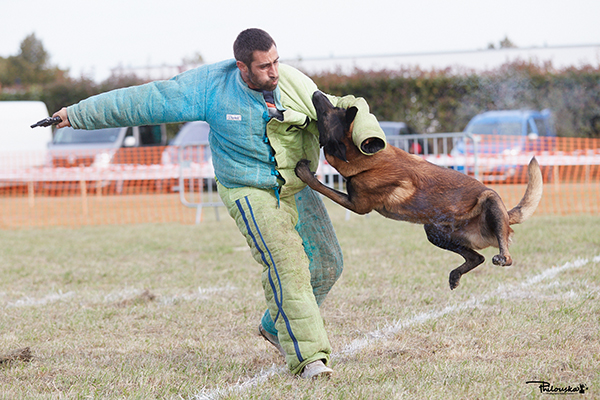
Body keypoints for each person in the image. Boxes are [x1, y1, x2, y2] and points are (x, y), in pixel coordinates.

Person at [53, 28, 386, 379]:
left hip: (296, 182)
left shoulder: (293, 82)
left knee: (328, 264)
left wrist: (368, 135)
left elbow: (345, 106)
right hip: (248, 188)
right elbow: (145, 100)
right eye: (264, 66)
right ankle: (310, 360)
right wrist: (77, 114)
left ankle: (275, 327)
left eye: (276, 61)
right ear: (242, 67)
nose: (274, 72)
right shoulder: (209, 87)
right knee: (287, 264)